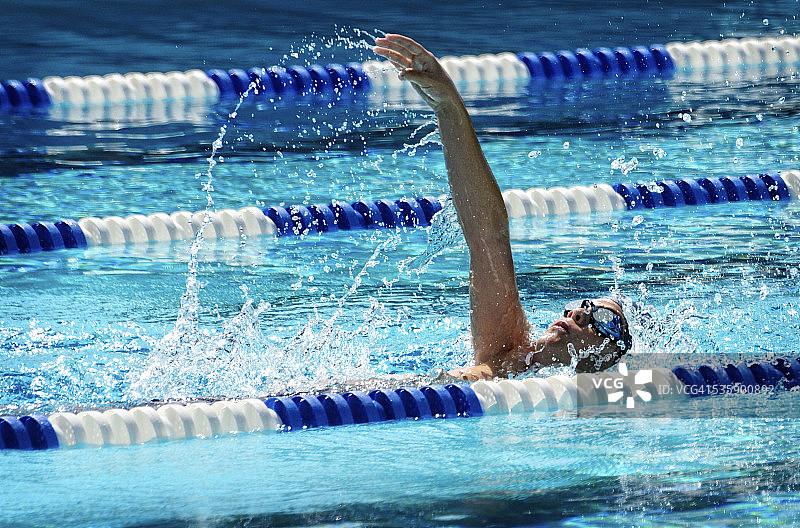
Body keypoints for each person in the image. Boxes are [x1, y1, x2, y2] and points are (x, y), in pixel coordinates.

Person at [373, 34, 632, 382]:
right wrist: (449, 106)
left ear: (607, 358)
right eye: (582, 306)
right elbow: (488, 235)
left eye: (603, 320)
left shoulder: (527, 379)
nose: (579, 314)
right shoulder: (507, 349)